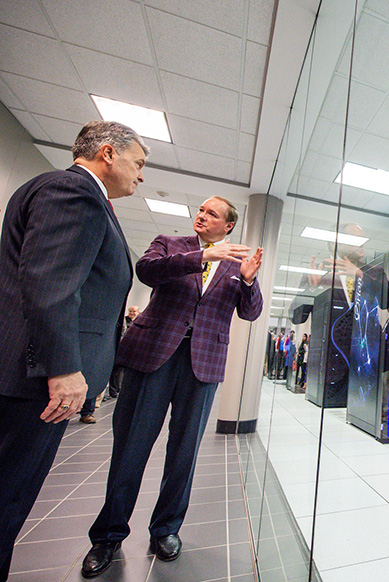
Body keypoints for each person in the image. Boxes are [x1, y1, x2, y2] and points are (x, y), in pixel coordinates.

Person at [82, 196, 263, 578]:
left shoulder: (236, 265)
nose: (202, 216)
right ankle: (108, 535)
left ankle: (165, 530)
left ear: (228, 226)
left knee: (184, 451)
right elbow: (146, 271)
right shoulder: (170, 244)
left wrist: (248, 280)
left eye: (212, 214)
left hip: (202, 364)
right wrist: (202, 258)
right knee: (131, 445)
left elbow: (250, 312)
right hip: (153, 355)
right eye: (200, 210)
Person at [0, 120, 147, 580]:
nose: (141, 176)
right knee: (7, 497)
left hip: (30, 374)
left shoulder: (64, 191)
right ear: (108, 153)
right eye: (138, 163)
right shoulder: (74, 191)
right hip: (36, 382)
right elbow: (50, 283)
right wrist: (63, 368)